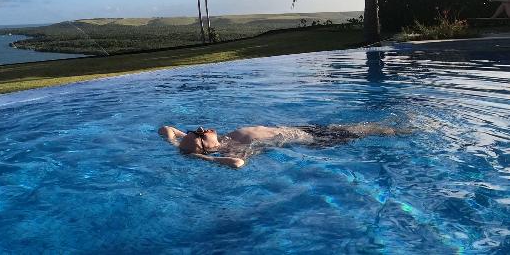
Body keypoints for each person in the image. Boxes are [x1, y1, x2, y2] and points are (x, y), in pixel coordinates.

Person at [159, 122, 403, 169]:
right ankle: (409, 130)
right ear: (207, 148)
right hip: (313, 140)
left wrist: (179, 143)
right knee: (376, 130)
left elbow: (166, 128)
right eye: (199, 135)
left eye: (193, 130)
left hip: (304, 128)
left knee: (371, 126)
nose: (200, 129)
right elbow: (237, 164)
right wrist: (198, 157)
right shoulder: (232, 149)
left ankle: (402, 128)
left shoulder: (223, 139)